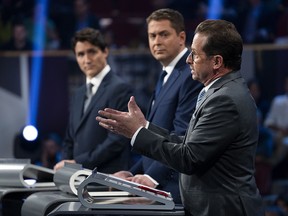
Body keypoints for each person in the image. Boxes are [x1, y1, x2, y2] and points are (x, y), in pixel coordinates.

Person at [96, 19, 264, 215]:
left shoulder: (225, 99)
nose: (188, 60)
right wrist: (146, 127)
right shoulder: (220, 92)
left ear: (217, 61)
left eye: (194, 54)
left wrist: (137, 133)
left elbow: (188, 158)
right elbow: (188, 144)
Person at [113, 8, 202, 204]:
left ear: (181, 37)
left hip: (176, 190)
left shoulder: (190, 76)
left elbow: (183, 137)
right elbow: (156, 139)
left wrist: (151, 178)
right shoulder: (165, 75)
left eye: (164, 34)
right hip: (161, 187)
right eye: (152, 35)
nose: (157, 41)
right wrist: (132, 174)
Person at [54, 27, 133, 173]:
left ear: (105, 51)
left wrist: (78, 162)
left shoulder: (119, 89)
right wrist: (66, 166)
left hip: (107, 179)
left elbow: (116, 141)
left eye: (92, 52)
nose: (87, 60)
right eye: (81, 54)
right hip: (76, 177)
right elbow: (70, 138)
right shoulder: (78, 94)